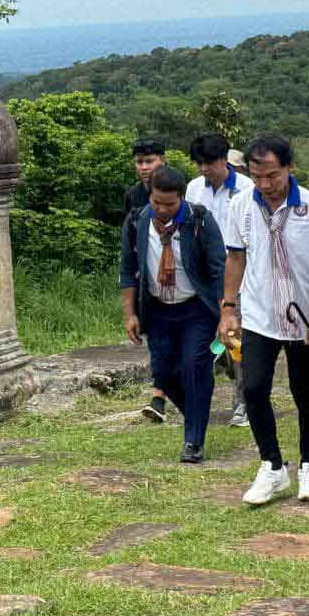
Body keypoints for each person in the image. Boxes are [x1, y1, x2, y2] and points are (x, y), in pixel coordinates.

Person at [219, 135, 309, 506]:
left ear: (289, 168)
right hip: (259, 315)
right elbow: (235, 258)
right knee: (253, 389)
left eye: (272, 176)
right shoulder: (240, 206)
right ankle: (272, 466)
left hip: (302, 316)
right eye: (257, 176)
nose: (265, 185)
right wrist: (228, 308)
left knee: (304, 391)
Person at [121, 167, 226, 463]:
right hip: (158, 311)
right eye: (156, 202)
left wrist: (226, 313)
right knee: (163, 373)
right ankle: (195, 413)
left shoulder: (200, 220)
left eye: (170, 204)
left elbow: (219, 268)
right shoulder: (137, 222)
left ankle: (193, 440)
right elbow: (128, 270)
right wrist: (130, 314)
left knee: (195, 366)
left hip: (196, 309)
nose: (162, 210)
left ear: (181, 197)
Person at [186, 133, 255, 427]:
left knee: (236, 337)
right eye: (200, 163)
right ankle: (233, 380)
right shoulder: (193, 189)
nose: (205, 169)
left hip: (237, 271)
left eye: (210, 162)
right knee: (214, 338)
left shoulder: (246, 188)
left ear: (224, 159)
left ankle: (243, 402)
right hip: (203, 275)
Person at [124, 136, 169, 422]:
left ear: (163, 161)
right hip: (147, 279)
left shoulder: (180, 189)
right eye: (140, 162)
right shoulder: (133, 196)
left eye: (150, 161)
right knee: (158, 339)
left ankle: (161, 394)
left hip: (179, 276)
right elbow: (130, 243)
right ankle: (159, 396)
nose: (144, 167)